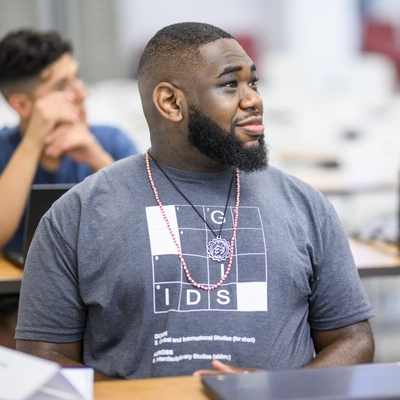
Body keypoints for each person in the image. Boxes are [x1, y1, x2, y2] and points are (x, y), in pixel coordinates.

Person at [15, 22, 375, 380]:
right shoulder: (75, 215)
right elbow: (44, 358)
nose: (253, 100)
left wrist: (281, 390)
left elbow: (353, 338)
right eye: (230, 85)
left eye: (253, 83)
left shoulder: (306, 204)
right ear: (171, 102)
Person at [0, 29, 139, 347]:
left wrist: (97, 158)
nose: (81, 93)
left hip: (100, 289)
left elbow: (149, 220)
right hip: (17, 300)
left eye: (77, 78)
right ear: (22, 105)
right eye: (63, 86)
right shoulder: (4, 150)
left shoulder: (110, 140)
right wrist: (34, 140)